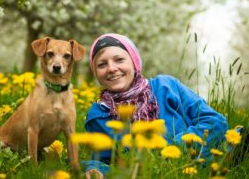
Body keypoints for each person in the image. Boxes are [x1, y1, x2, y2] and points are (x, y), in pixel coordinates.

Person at [83, 33, 229, 178]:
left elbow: (215, 122)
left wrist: (169, 149)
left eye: (119, 59)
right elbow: (105, 161)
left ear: (134, 62)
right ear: (96, 73)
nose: (111, 68)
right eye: (102, 64)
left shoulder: (166, 86)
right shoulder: (98, 115)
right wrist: (94, 169)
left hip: (212, 164)